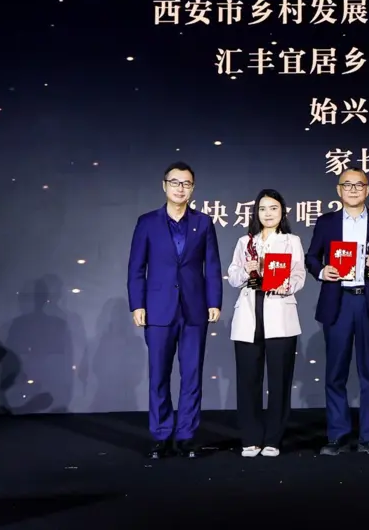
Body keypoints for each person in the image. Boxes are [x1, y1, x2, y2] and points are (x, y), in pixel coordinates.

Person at [127, 161, 222, 459]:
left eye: (186, 183)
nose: (180, 188)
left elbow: (212, 266)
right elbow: (136, 268)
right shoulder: (147, 222)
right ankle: (161, 435)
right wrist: (137, 304)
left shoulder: (203, 223)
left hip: (194, 309)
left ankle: (186, 436)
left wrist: (214, 301)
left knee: (192, 375)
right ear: (164, 185)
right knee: (159, 375)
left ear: (193, 188)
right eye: (175, 182)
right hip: (158, 309)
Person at [305, 168, 369, 456]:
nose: (354, 189)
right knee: (335, 373)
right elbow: (311, 256)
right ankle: (338, 435)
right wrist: (322, 271)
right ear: (339, 190)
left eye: (359, 185)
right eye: (348, 185)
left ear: (368, 190)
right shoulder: (327, 222)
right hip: (339, 300)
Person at [226, 189, 306, 457]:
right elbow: (233, 276)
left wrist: (285, 285)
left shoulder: (291, 241)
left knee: (279, 380)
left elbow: (299, 275)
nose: (268, 214)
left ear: (282, 211)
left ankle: (273, 439)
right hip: (249, 314)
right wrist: (246, 269)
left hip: (280, 313)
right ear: (255, 213)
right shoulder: (245, 241)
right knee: (248, 380)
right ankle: (250, 438)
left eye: (273, 208)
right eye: (262, 209)